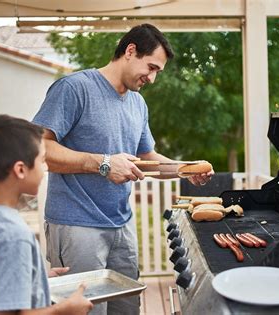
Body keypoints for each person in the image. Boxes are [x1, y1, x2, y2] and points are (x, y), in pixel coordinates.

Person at [32, 24, 213, 314]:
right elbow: (39, 148)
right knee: (85, 311)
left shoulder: (138, 104)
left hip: (121, 226)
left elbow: (147, 157)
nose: (152, 78)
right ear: (130, 51)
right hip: (77, 225)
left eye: (158, 72)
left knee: (127, 309)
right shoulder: (75, 88)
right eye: (151, 67)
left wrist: (185, 169)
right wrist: (103, 163)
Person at [0, 115, 94, 315]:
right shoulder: (13, 236)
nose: (46, 168)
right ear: (21, 170)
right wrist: (64, 309)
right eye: (42, 161)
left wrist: (35, 277)